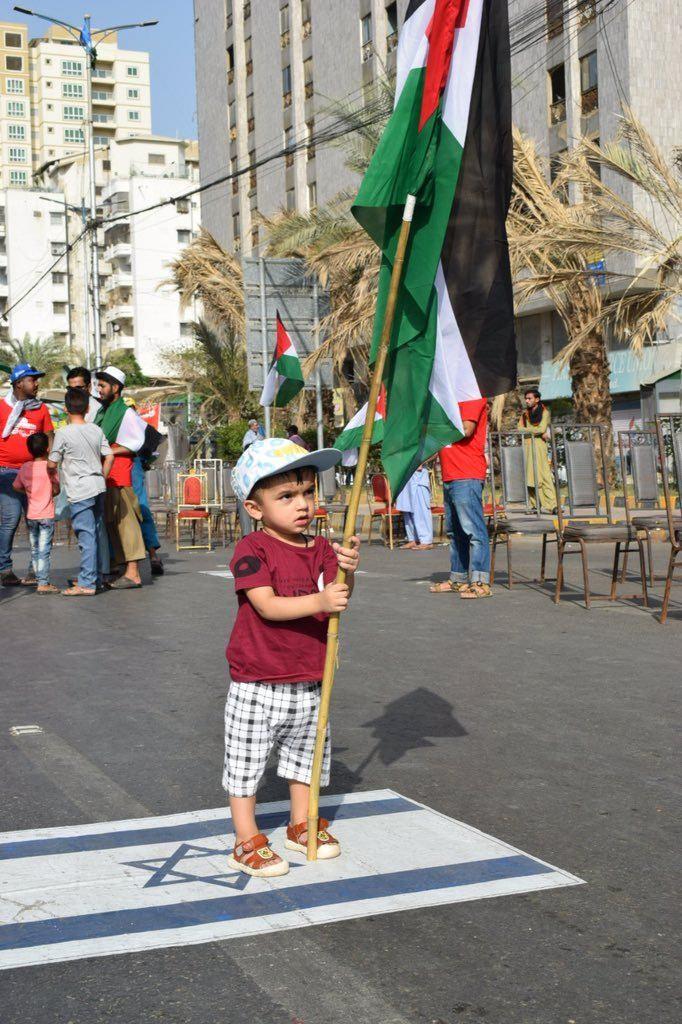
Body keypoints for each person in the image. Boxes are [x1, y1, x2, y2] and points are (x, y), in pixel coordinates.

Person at [224, 437, 360, 877]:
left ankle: (301, 824)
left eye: (307, 492)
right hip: (257, 681)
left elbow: (337, 599)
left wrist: (347, 574)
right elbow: (266, 604)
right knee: (246, 765)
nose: (302, 504)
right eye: (286, 496)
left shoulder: (320, 549)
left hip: (310, 677)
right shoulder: (253, 550)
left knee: (309, 758)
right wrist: (320, 601)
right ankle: (246, 840)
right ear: (255, 507)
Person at [48, 388, 114, 597]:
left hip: (80, 490)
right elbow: (109, 456)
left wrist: (53, 475)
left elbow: (52, 462)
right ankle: (94, 577)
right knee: (94, 533)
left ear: (66, 408)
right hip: (98, 486)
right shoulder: (96, 429)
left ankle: (86, 583)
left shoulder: (63, 433)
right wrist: (101, 476)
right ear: (87, 408)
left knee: (86, 537)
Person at [430, 398, 492, 599]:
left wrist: (437, 426)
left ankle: (480, 581)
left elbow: (466, 429)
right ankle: (458, 579)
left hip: (466, 474)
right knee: (455, 532)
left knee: (474, 530)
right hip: (450, 474)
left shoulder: (471, 395)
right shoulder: (449, 398)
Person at [0, 363, 54, 586]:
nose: (37, 383)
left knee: (35, 522)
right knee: (10, 520)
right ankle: (4, 569)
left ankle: (35, 569)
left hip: (35, 473)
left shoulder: (40, 409)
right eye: (33, 379)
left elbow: (50, 436)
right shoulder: (1, 407)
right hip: (6, 472)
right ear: (19, 383)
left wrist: (52, 463)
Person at [94, 365, 147, 589]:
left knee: (126, 522)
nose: (98, 389)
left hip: (119, 473)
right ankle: (119, 568)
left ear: (115, 388)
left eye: (103, 385)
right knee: (112, 522)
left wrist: (109, 451)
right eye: (98, 385)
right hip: (106, 474)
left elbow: (136, 442)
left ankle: (133, 572)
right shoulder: (104, 411)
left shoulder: (125, 412)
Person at [64, 365, 109, 578]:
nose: (75, 392)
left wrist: (102, 476)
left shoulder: (97, 411)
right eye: (70, 387)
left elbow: (105, 451)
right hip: (79, 480)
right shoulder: (73, 409)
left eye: (79, 387)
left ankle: (94, 575)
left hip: (89, 481)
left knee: (91, 529)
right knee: (88, 529)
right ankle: (93, 573)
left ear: (89, 387)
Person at [12, 432, 60, 594]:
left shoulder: (25, 467)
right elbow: (56, 490)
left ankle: (35, 577)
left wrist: (28, 491)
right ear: (47, 449)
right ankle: (43, 582)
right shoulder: (50, 468)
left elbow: (15, 486)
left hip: (31, 515)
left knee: (35, 548)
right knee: (44, 550)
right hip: (46, 515)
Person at [518, 388, 555, 512]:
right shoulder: (524, 414)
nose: (527, 401)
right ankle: (535, 504)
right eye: (526, 399)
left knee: (544, 474)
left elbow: (541, 428)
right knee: (530, 476)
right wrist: (537, 431)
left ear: (537, 399)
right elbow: (519, 429)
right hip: (527, 446)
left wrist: (530, 431)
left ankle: (552, 505)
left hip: (539, 446)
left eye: (530, 398)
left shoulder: (544, 412)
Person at [395, 465, 433, 549]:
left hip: (418, 477)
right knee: (407, 509)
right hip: (405, 477)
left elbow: (434, 452)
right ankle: (412, 539)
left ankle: (426, 541)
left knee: (420, 510)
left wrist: (421, 461)